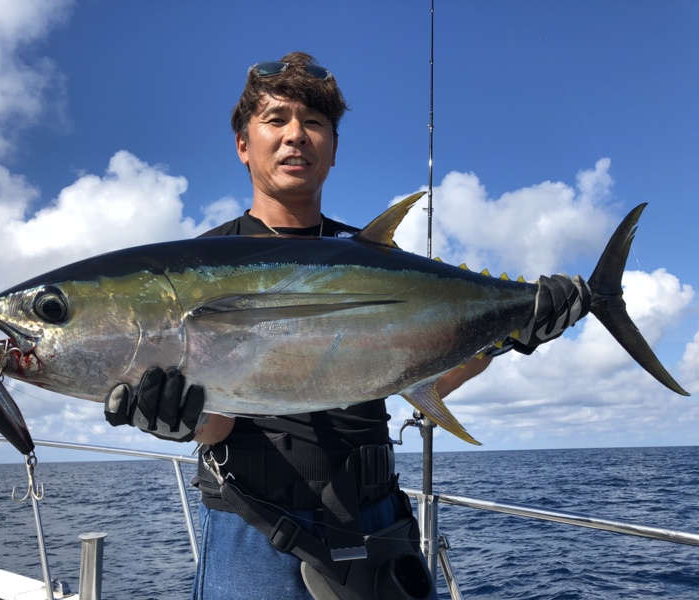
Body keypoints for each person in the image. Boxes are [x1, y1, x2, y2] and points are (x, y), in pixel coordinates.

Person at [104, 52, 589, 600]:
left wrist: (514, 334)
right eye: (276, 119)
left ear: (333, 149)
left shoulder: (376, 255)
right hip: (258, 529)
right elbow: (215, 425)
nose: (296, 136)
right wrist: (178, 417)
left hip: (377, 517)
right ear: (243, 143)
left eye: (314, 123)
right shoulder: (197, 268)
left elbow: (429, 372)